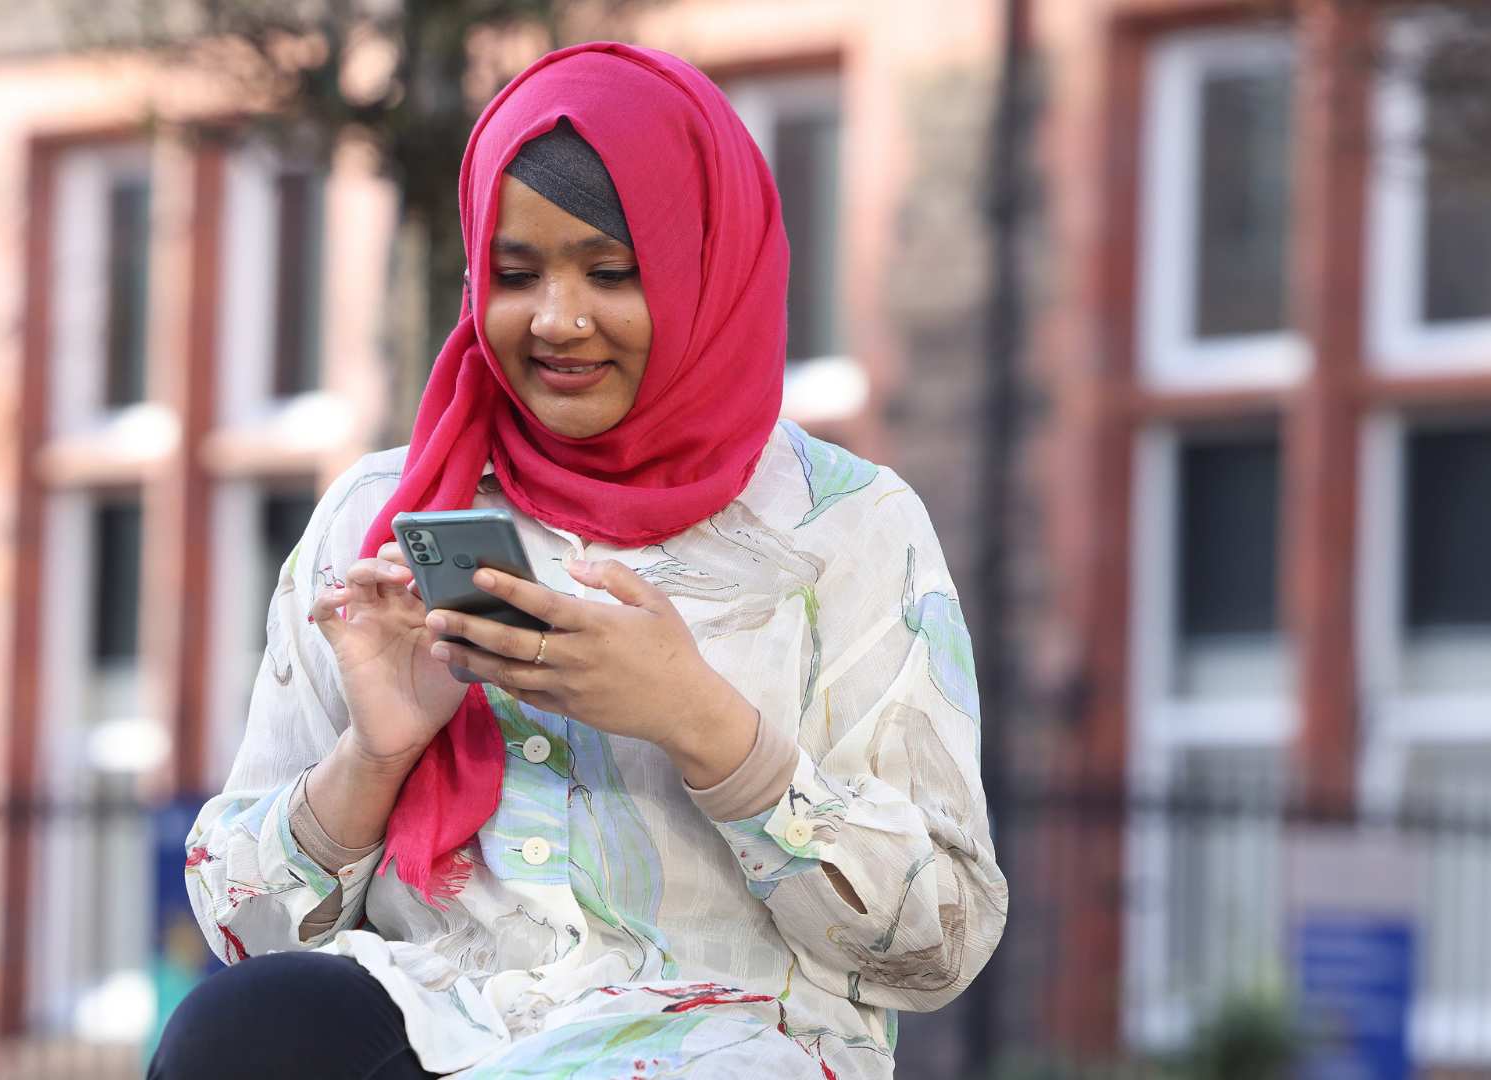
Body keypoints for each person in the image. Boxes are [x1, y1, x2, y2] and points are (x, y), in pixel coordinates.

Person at [154, 40, 1007, 1080]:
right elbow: (247, 937)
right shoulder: (384, 513)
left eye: (612, 271)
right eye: (516, 275)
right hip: (442, 1025)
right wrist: (375, 756)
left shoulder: (852, 527)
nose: (557, 321)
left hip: (725, 1045)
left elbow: (942, 942)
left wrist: (705, 726)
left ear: (708, 268)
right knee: (240, 1036)